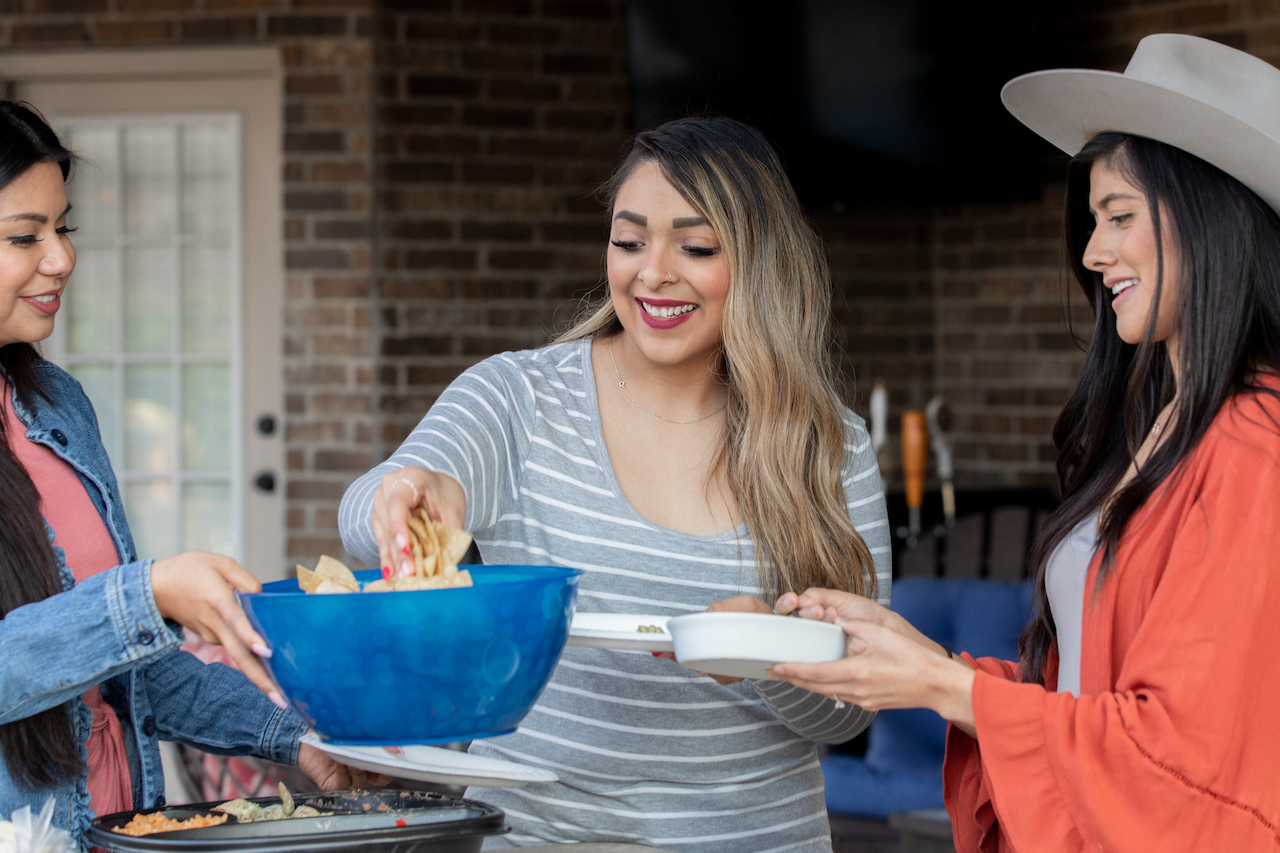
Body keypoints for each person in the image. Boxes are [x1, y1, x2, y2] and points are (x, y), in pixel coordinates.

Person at [767, 34, 1280, 852]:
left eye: (1118, 216)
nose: (1091, 251)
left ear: (1207, 216)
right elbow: (1084, 694)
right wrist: (922, 659)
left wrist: (943, 684)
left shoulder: (1255, 450)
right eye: (1093, 219)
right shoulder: (1166, 428)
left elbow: (1186, 764)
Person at [340, 116, 892, 851]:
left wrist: (766, 651)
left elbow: (852, 709)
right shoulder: (519, 397)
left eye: (696, 247)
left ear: (760, 262)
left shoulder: (829, 444)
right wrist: (409, 498)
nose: (652, 272)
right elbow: (368, 507)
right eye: (629, 241)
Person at [0, 102, 376, 848]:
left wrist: (296, 736)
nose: (62, 258)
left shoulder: (58, 405)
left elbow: (124, 674)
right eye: (24, 237)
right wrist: (145, 594)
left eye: (63, 228)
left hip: (112, 830)